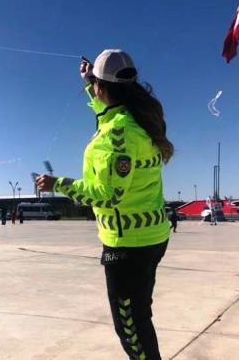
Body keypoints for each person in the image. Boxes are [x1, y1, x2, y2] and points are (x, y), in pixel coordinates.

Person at [36, 50, 173, 360]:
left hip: (127, 246)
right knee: (139, 315)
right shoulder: (136, 119)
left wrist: (58, 184)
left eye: (95, 84)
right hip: (151, 236)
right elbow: (106, 113)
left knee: (131, 327)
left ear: (103, 86)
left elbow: (108, 194)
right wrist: (90, 83)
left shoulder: (116, 136)